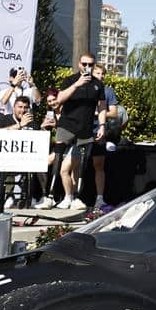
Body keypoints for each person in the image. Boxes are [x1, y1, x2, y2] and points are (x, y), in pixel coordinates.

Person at [51, 52, 107, 210]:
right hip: (66, 126)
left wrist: (102, 125)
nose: (87, 67)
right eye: (84, 64)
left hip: (85, 130)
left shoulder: (98, 84)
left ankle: (73, 197)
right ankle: (52, 196)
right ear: (79, 64)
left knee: (78, 165)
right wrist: (77, 84)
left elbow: (102, 106)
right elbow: (59, 99)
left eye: (90, 64)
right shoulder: (70, 80)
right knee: (58, 161)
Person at [0, 96, 55, 209]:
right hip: (5, 158)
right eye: (20, 107)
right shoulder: (1, 119)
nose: (23, 110)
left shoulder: (32, 123)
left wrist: (42, 128)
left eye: (25, 107)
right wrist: (20, 125)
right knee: (3, 165)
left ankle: (40, 196)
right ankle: (8, 196)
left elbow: (38, 144)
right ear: (14, 107)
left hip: (26, 160)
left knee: (41, 161)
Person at [89, 64, 120, 209]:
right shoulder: (84, 89)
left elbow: (114, 113)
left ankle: (100, 198)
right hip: (83, 131)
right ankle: (72, 196)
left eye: (102, 74)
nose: (100, 76)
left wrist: (98, 113)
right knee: (76, 164)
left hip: (99, 131)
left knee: (99, 165)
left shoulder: (108, 91)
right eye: (97, 73)